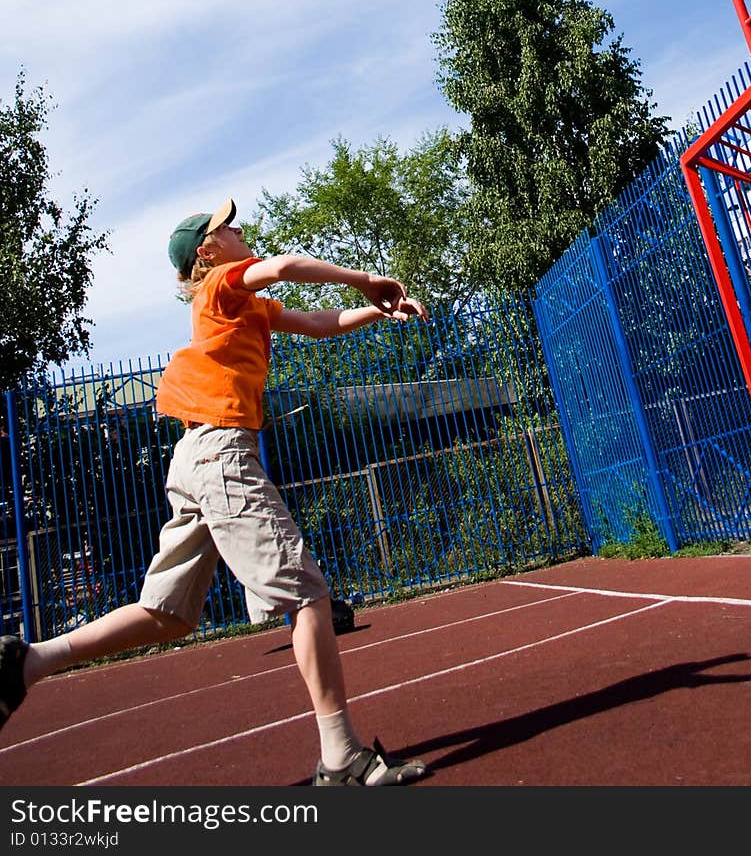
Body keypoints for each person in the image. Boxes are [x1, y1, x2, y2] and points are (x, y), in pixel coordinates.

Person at [0, 198, 430, 786]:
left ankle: (29, 660)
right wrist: (366, 278)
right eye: (226, 226)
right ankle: (343, 758)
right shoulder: (223, 285)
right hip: (221, 454)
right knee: (308, 595)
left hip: (196, 457)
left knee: (166, 616)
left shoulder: (244, 305)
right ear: (208, 250)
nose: (238, 228)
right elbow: (282, 266)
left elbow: (314, 322)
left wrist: (375, 311)